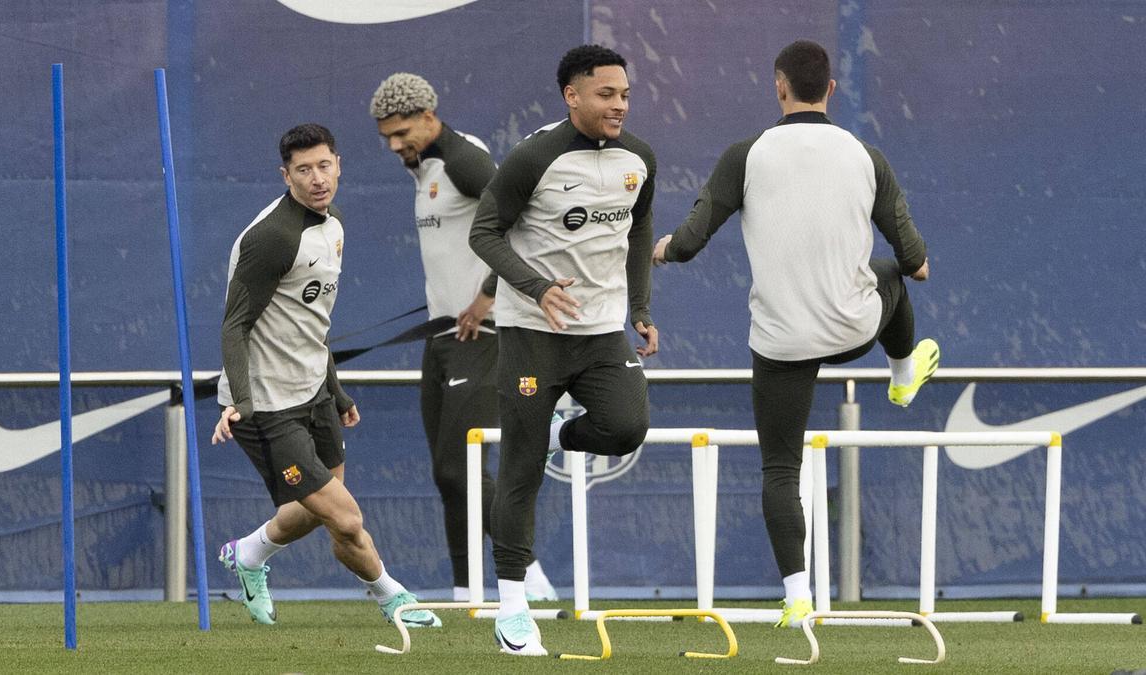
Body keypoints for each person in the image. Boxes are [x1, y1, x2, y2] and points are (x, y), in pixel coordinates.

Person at [652, 39, 938, 627]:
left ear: (778, 87)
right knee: (891, 278)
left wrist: (661, 250)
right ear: (830, 89)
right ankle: (903, 373)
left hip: (782, 342)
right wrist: (911, 264)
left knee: (780, 469)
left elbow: (688, 241)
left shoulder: (746, 155)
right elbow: (913, 261)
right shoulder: (866, 156)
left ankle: (797, 596)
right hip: (854, 329)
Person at [211, 123, 441, 630]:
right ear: (285, 174)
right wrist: (241, 402)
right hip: (266, 405)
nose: (317, 178)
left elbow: (310, 323)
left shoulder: (332, 224)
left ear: (338, 164)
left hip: (313, 392)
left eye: (324, 165)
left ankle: (247, 555)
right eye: (303, 170)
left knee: (316, 509)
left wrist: (335, 392)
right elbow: (234, 325)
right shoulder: (272, 237)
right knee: (345, 517)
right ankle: (394, 598)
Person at [470, 44, 659, 656]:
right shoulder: (534, 156)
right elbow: (485, 232)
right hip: (531, 332)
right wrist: (536, 287)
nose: (619, 104)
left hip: (601, 331)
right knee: (520, 469)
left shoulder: (640, 159)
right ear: (571, 96)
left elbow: (639, 233)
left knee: (628, 426)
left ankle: (557, 433)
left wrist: (639, 309)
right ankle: (514, 611)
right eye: (606, 94)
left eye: (625, 94)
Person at [368, 73, 557, 603]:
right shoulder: (424, 166)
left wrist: (490, 294)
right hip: (444, 337)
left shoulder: (465, 160)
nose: (394, 144)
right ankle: (463, 588)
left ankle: (531, 577)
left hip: (487, 334)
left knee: (462, 466)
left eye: (402, 132)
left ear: (430, 117)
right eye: (385, 136)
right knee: (447, 474)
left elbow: (523, 223)